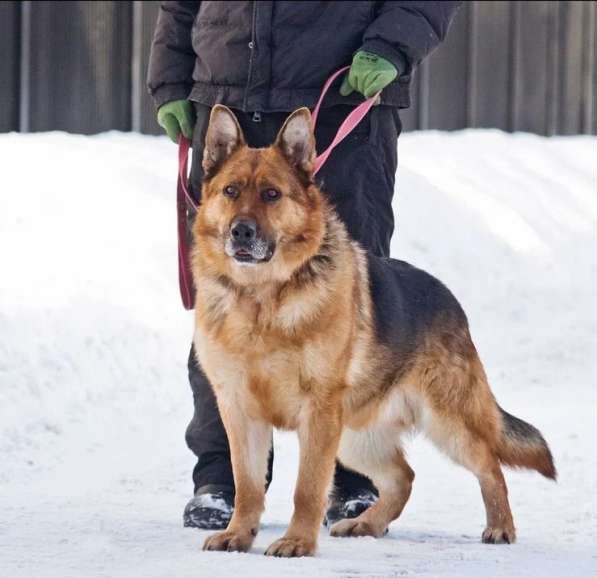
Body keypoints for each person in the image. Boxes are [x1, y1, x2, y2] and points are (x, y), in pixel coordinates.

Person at [148, 0, 461, 530]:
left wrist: (393, 43)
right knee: (225, 310)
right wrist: (169, 78)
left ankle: (354, 478)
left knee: (351, 315)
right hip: (226, 96)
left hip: (340, 98)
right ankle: (223, 480)